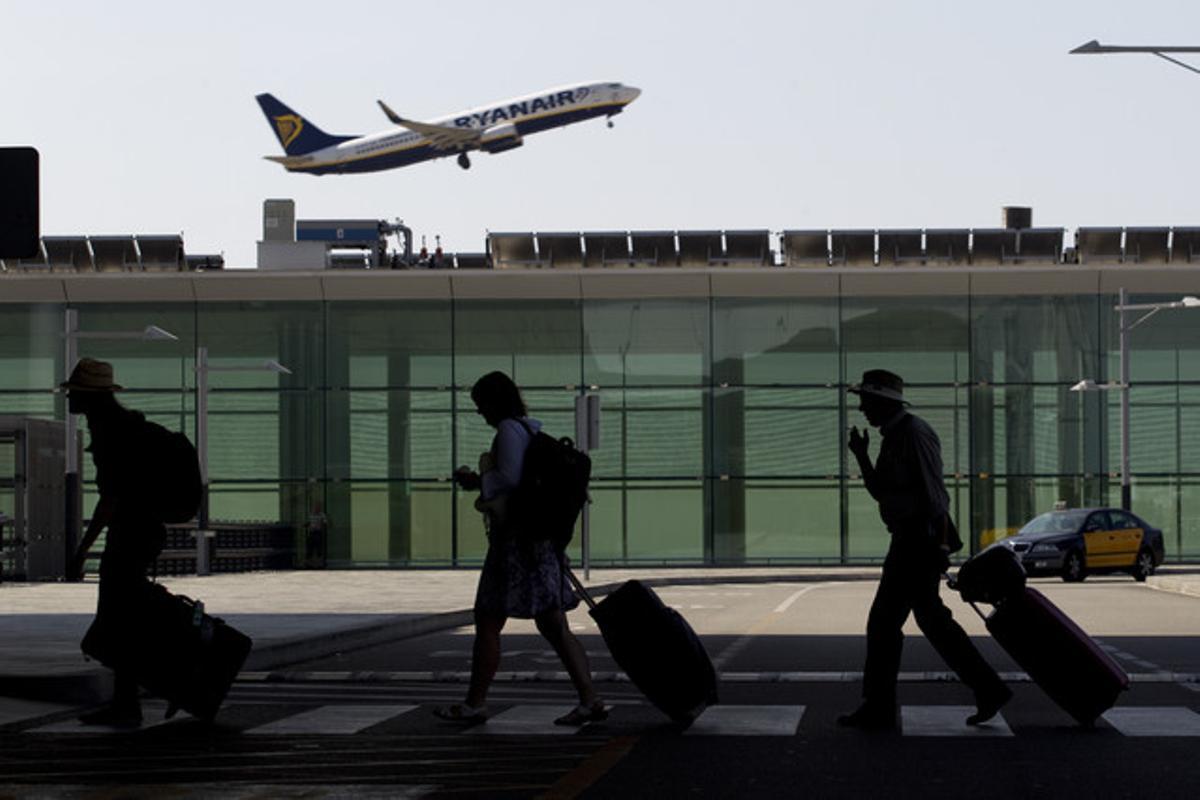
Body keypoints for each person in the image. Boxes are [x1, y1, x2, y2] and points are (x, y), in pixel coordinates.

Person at [839, 369, 1011, 731]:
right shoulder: (894, 436)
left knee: (887, 623)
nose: (862, 408)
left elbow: (935, 493)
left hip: (917, 540)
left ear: (884, 401)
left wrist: (939, 543)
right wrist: (861, 455)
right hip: (910, 538)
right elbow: (882, 493)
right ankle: (987, 688)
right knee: (929, 621)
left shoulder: (913, 434)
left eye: (866, 401)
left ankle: (879, 707)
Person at [435, 371, 607, 726]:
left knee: (490, 618)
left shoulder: (509, 431)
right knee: (551, 624)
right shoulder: (528, 429)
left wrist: (477, 481)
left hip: (517, 545)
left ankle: (475, 704)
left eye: (482, 405)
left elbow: (510, 479)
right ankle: (588, 699)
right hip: (537, 543)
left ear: (495, 402)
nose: (480, 413)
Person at [63, 358, 166, 727]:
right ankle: (125, 701)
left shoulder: (110, 435)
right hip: (145, 532)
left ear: (88, 396)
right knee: (124, 617)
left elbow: (110, 500)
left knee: (121, 617)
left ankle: (126, 705)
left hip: (131, 534)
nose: (69, 397)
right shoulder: (125, 427)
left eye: (73, 391)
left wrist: (82, 551)